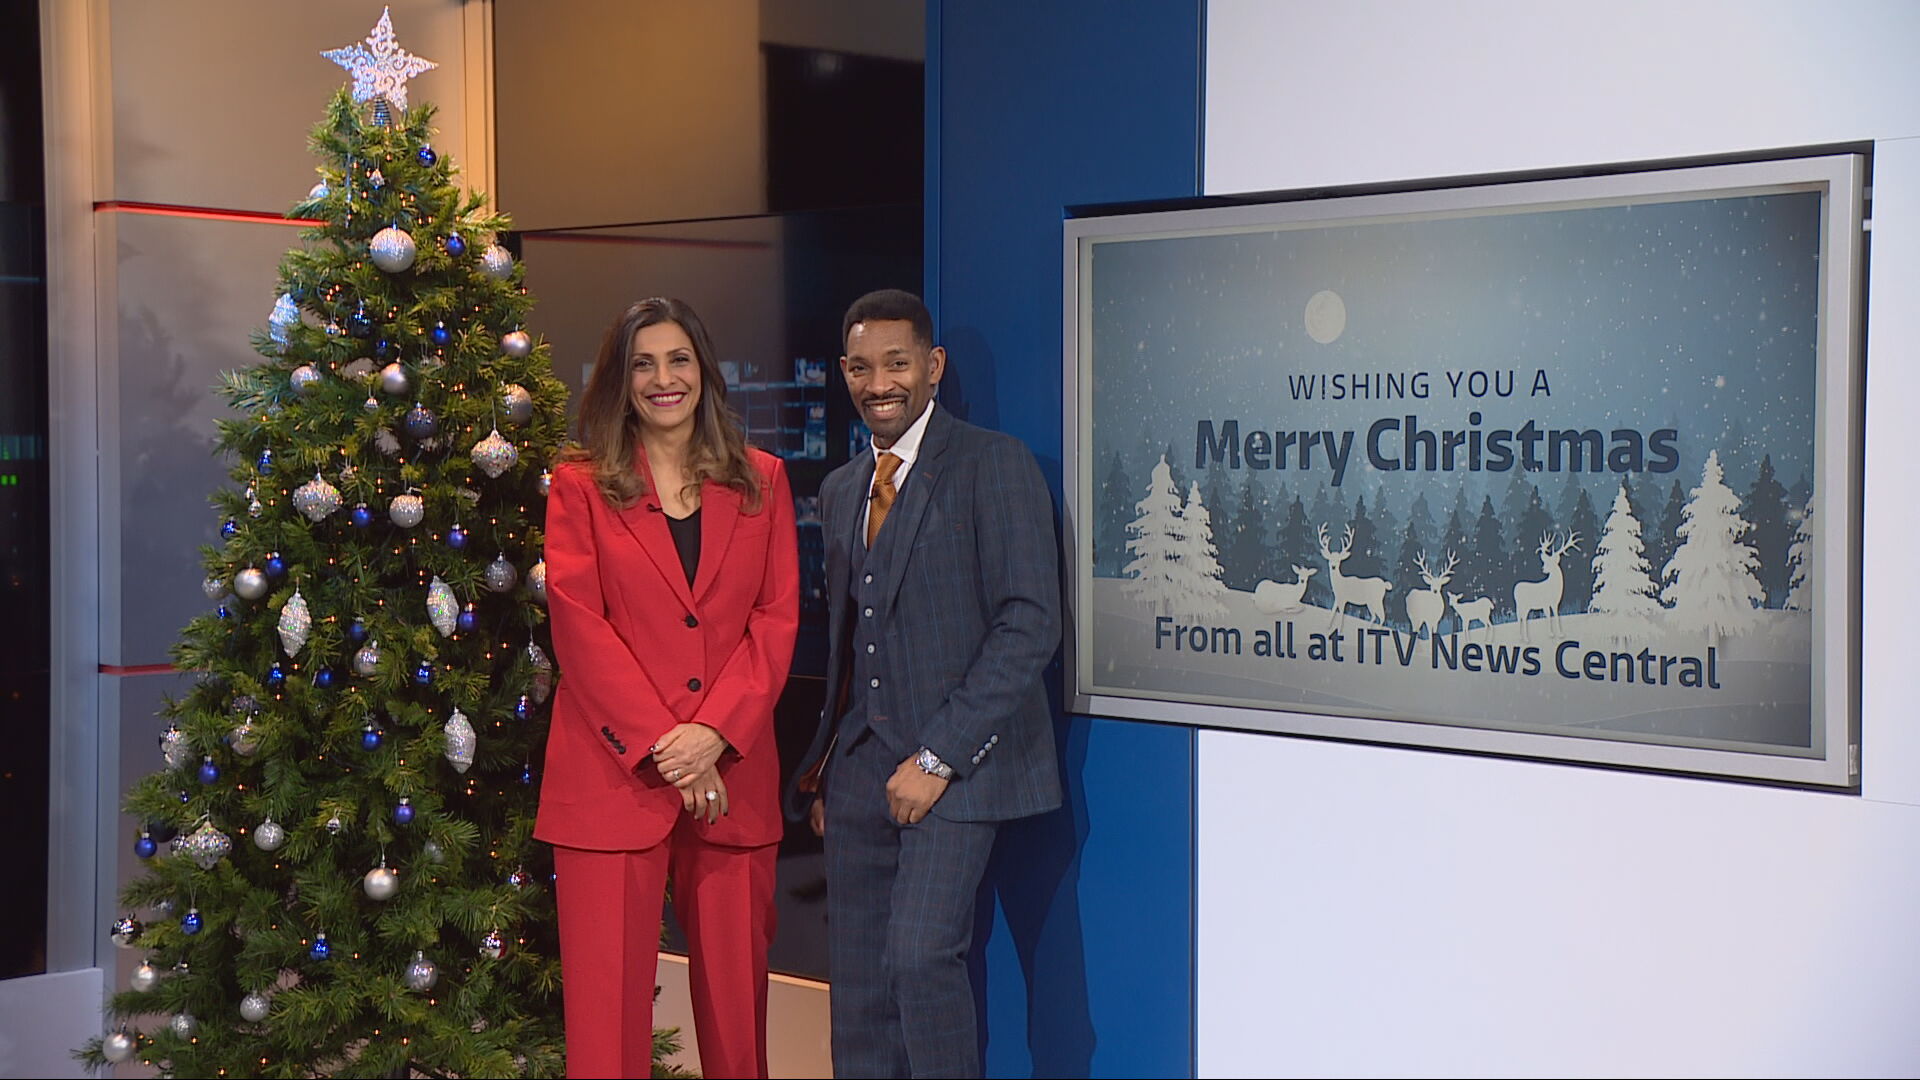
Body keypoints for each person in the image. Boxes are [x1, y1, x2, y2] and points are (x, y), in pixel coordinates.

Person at [787, 289, 1062, 1078]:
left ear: (932, 366)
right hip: (858, 771)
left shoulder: (993, 464)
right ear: (844, 372)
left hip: (961, 767)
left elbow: (1029, 622)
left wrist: (938, 757)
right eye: (862, 368)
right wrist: (828, 765)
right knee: (859, 989)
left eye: (897, 364)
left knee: (918, 959)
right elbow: (851, 639)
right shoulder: (843, 488)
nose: (880, 384)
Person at [537, 297, 799, 1079]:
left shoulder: (763, 481)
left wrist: (712, 734)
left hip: (732, 775)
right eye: (643, 364)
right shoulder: (580, 485)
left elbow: (775, 620)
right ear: (620, 381)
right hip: (612, 776)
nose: (663, 379)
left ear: (704, 372)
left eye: (678, 359)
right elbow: (579, 626)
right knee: (606, 1031)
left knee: (738, 1026)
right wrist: (668, 745)